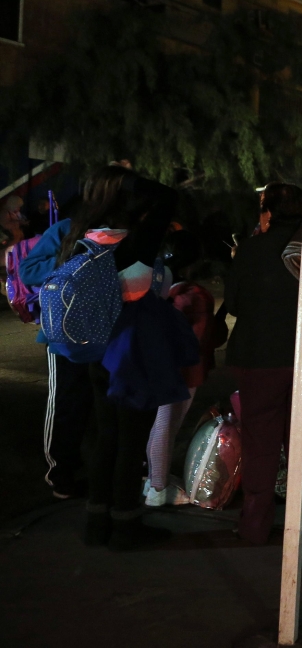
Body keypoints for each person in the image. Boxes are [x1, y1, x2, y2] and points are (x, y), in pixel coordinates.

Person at [52, 166, 179, 550]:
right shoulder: (135, 238)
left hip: (95, 349)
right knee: (130, 438)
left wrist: (109, 181)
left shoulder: (82, 233)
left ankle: (97, 522)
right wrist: (129, 182)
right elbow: (169, 197)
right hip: (131, 348)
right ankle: (125, 525)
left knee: (106, 434)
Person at [224, 182, 302, 545]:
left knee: (260, 443)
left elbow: (233, 303)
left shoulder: (251, 249)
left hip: (260, 356)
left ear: (268, 210)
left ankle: (254, 525)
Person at [144, 230, 226, 507]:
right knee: (167, 426)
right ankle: (158, 487)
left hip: (159, 367)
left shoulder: (158, 288)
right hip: (184, 371)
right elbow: (203, 339)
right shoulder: (195, 295)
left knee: (160, 425)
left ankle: (155, 479)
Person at [19, 203, 87, 500]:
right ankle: (59, 471)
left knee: (99, 403)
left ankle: (91, 467)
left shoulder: (127, 230)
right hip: (63, 331)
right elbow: (28, 270)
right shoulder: (68, 228)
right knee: (66, 401)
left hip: (108, 332)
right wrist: (71, 260)